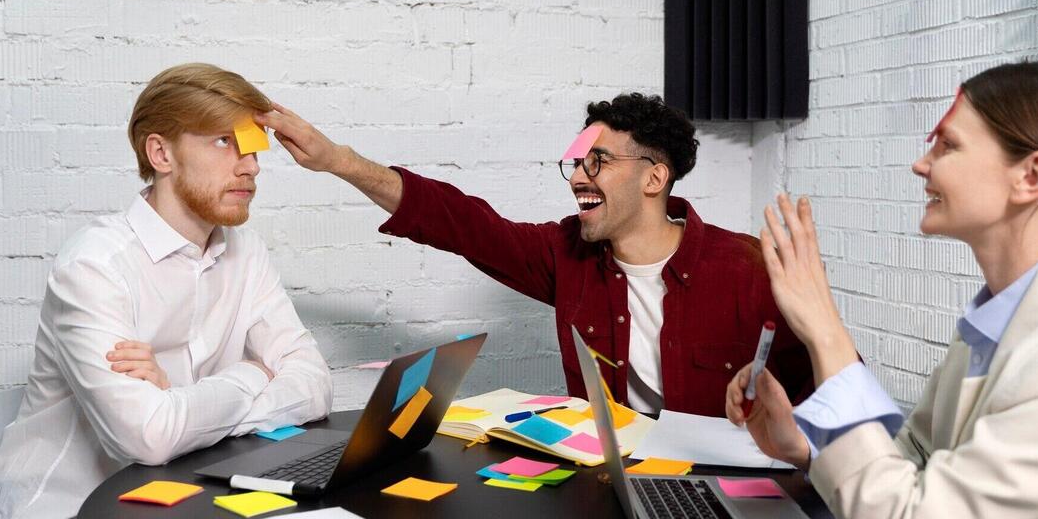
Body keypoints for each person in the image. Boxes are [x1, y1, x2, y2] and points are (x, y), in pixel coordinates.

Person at [727, 61, 1038, 519]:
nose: (920, 164)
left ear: (1031, 176)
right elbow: (914, 461)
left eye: (948, 146)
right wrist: (807, 449)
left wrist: (826, 333)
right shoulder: (1000, 324)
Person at [0, 64, 334, 519]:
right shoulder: (95, 266)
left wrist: (178, 400)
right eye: (223, 142)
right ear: (161, 154)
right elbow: (148, 437)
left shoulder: (245, 252)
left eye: (254, 146)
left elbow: (314, 385)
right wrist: (251, 374)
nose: (251, 166)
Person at [256, 93, 812, 416]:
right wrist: (339, 161)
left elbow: (833, 401)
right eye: (575, 163)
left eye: (599, 161)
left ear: (655, 177)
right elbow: (463, 223)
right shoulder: (566, 254)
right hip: (612, 491)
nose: (578, 178)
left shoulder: (751, 268)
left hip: (722, 493)